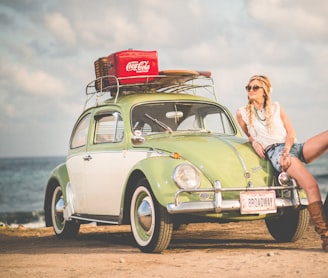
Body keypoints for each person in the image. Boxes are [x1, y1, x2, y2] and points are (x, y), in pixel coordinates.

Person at [236, 75, 328, 252]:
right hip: (276, 152)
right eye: (248, 87)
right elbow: (249, 135)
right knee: (311, 186)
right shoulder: (242, 113)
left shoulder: (276, 107)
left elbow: (291, 133)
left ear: (265, 91)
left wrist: (287, 149)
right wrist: (254, 142)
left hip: (292, 147)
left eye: (255, 87)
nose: (251, 91)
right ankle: (325, 236)